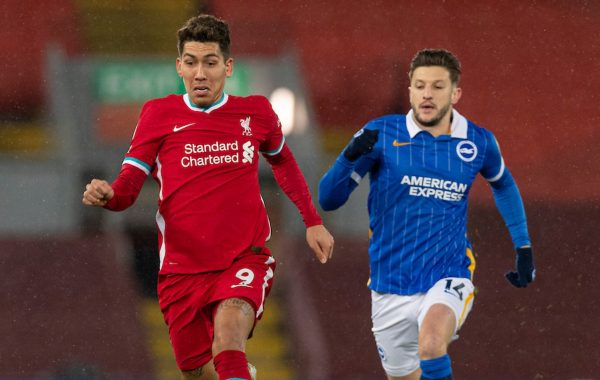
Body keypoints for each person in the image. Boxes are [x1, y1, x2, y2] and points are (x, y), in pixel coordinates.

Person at [82, 14, 334, 380]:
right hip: (181, 273)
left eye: (210, 62)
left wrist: (312, 221)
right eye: (191, 62)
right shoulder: (158, 115)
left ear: (227, 66)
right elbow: (128, 188)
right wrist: (109, 195)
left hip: (242, 259)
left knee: (229, 334)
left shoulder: (256, 112)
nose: (200, 73)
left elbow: (284, 162)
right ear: (179, 67)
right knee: (200, 372)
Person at [318, 49, 534, 380]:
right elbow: (329, 199)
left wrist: (523, 247)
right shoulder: (381, 135)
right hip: (389, 283)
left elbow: (503, 185)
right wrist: (348, 157)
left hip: (448, 273)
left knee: (432, 343)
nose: (427, 95)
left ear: (455, 93)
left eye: (437, 86)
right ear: (410, 90)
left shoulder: (477, 141)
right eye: (419, 86)